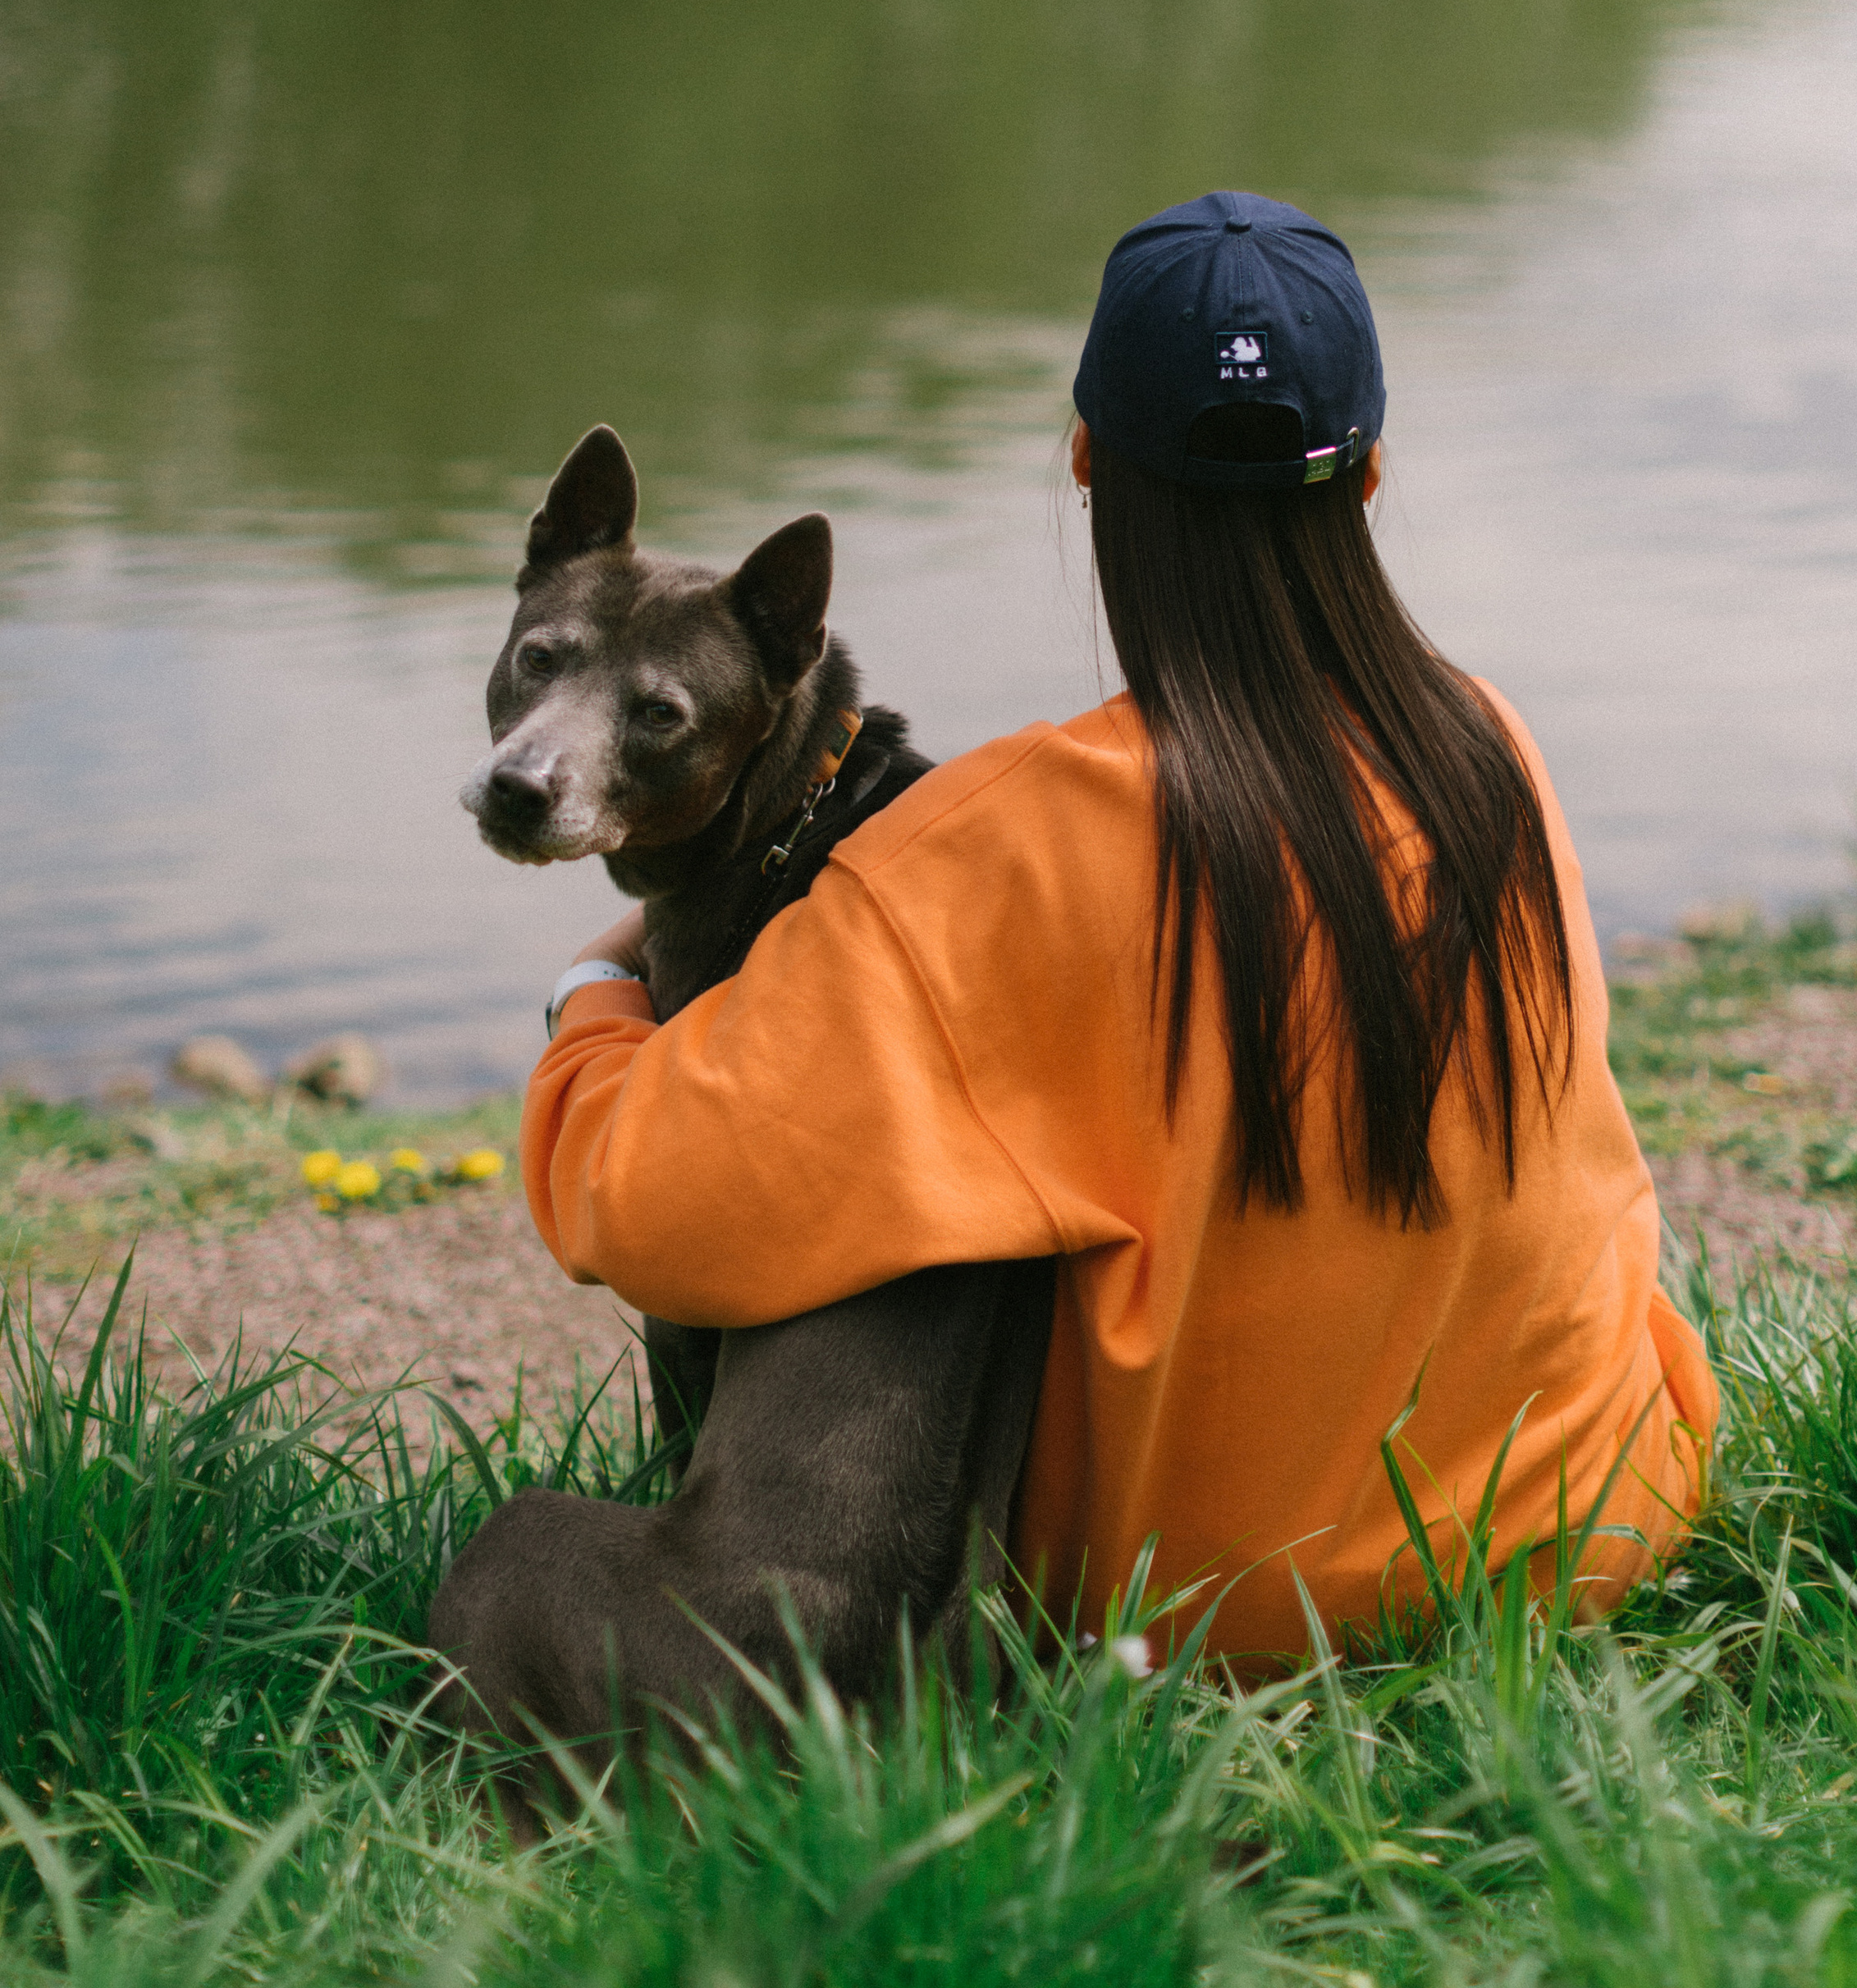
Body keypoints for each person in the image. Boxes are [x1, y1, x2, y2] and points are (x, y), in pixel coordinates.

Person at [523, 190, 1717, 1662]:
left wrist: (597, 990)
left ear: (1086, 461)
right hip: (1581, 1528)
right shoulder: (1491, 750)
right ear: (1370, 474)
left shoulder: (1000, 848)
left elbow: (639, 1210)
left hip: (1223, 1618)